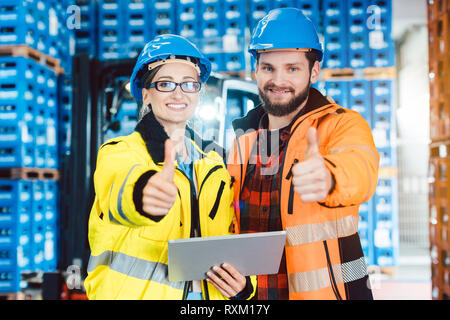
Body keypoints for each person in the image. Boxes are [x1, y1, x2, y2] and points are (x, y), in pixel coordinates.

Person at [84, 34, 256, 300]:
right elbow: (120, 189)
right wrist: (142, 194)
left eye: (189, 84)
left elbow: (230, 234)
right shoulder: (119, 153)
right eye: (165, 84)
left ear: (198, 94)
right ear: (146, 95)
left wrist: (245, 286)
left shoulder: (215, 163)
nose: (179, 93)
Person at [227, 8, 379, 300]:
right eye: (268, 68)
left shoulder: (341, 124)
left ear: (314, 71)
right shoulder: (244, 141)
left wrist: (330, 177)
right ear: (255, 70)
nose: (278, 80)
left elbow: (361, 168)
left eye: (292, 68)